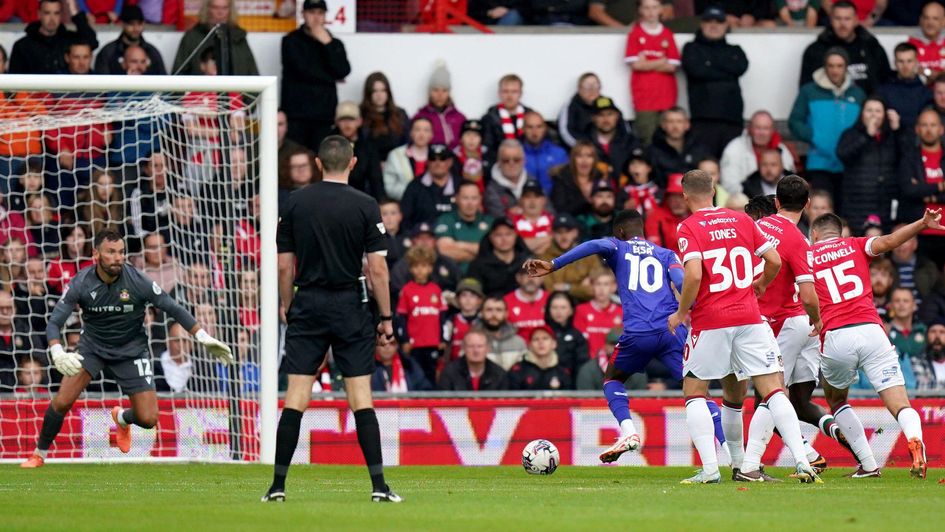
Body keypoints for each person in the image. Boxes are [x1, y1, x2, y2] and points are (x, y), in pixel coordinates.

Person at [19, 230, 233, 468]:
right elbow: (54, 322)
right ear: (96, 254)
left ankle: (121, 418)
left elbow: (172, 307)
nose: (118, 257)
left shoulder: (137, 280)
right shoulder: (81, 281)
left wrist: (203, 336)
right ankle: (39, 454)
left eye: (121, 252)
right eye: (111, 252)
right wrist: (57, 350)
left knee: (148, 418)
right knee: (62, 401)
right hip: (92, 348)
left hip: (131, 350)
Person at [266, 136, 400, 502]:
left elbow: (283, 265)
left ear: (318, 163)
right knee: (360, 397)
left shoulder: (295, 202)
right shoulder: (365, 204)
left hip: (308, 302)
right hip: (349, 304)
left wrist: (288, 305)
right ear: (353, 163)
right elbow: (377, 269)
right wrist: (386, 317)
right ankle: (379, 487)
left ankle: (277, 487)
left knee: (296, 395)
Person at [668, 169, 820, 484]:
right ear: (714, 191)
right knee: (773, 389)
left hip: (711, 319)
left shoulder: (688, 227)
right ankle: (801, 461)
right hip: (751, 318)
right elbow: (774, 260)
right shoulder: (742, 220)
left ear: (685, 196)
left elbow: (693, 274)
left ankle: (711, 470)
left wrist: (681, 312)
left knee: (694, 391)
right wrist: (761, 284)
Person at [525, 209, 689, 461]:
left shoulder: (618, 246)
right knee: (695, 390)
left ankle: (629, 432)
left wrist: (554, 264)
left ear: (620, 232)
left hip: (638, 332)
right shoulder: (667, 254)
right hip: (672, 329)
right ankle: (731, 453)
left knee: (612, 379)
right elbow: (682, 282)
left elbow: (594, 245)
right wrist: (687, 311)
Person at [737, 175, 860, 481]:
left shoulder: (754, 227)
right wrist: (818, 320)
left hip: (777, 324)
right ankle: (818, 449)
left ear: (776, 201)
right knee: (799, 401)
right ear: (807, 204)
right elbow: (808, 293)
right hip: (803, 326)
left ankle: (752, 465)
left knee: (768, 394)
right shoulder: (800, 240)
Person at [808, 210, 941, 479]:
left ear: (814, 234)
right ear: (840, 233)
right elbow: (891, 241)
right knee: (900, 402)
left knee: (836, 400)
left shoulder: (807, 256)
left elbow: (804, 295)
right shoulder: (855, 245)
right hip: (872, 331)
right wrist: (922, 223)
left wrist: (814, 319)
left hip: (836, 335)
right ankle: (915, 439)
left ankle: (868, 465)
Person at [789, 47, 865, 203]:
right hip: (819, 163)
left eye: (839, 66)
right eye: (831, 65)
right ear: (824, 67)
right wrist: (814, 136)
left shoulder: (858, 94)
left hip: (850, 164)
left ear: (846, 67)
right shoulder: (809, 91)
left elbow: (863, 125)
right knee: (821, 209)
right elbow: (794, 121)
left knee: (846, 211)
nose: (835, 70)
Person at [281, 0, 352, 151]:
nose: (316, 17)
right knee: (296, 158)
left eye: (320, 13)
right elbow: (302, 71)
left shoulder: (334, 43)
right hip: (297, 116)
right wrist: (330, 77)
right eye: (312, 12)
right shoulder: (290, 41)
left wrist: (328, 44)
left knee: (321, 158)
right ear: (303, 14)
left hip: (324, 116)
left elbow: (343, 70)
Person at [681, 5, 749, 157]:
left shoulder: (735, 49)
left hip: (732, 121)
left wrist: (709, 63)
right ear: (702, 24)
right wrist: (727, 69)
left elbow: (741, 67)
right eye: (709, 21)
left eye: (718, 22)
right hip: (703, 121)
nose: (714, 26)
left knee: (732, 166)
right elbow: (696, 70)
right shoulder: (691, 48)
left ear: (725, 25)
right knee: (705, 166)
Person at [835, 96, 900, 232]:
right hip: (856, 203)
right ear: (862, 114)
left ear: (885, 115)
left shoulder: (892, 136)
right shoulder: (851, 134)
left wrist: (898, 130)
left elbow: (906, 156)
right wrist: (866, 136)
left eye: (878, 111)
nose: (873, 115)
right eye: (869, 110)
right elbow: (843, 155)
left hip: (885, 203)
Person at [798, 1, 890, 95]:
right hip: (827, 103)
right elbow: (805, 90)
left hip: (868, 103)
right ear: (831, 20)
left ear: (856, 20)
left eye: (847, 19)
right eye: (838, 18)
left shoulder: (872, 47)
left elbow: (886, 83)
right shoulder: (815, 50)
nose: (842, 24)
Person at [625, 0, 680, 147]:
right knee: (647, 141)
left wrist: (647, 63)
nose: (650, 12)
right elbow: (635, 64)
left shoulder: (667, 34)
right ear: (640, 10)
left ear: (661, 9)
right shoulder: (635, 34)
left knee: (670, 141)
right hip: (644, 99)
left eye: (654, 7)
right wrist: (661, 61)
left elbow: (672, 66)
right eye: (646, 8)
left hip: (667, 97)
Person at [395, 246, 447, 385]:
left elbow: (442, 318)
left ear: (430, 268)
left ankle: (431, 398)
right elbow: (402, 319)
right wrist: (405, 340)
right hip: (414, 344)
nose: (420, 270)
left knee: (432, 374)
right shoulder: (407, 290)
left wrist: (443, 339)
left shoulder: (436, 290)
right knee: (416, 375)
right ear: (411, 269)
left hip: (433, 343)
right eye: (416, 266)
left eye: (424, 266)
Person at [898, 108, 945, 259]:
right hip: (920, 232)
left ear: (941, 129)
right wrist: (940, 186)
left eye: (933, 125)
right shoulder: (909, 158)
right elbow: (908, 190)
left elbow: (916, 190)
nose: (929, 130)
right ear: (917, 129)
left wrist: (925, 193)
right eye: (924, 125)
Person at [8, 0, 98, 74]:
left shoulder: (69, 39)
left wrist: (74, 11)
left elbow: (91, 42)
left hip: (65, 90)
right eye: (47, 13)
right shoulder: (23, 46)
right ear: (39, 14)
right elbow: (14, 80)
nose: (52, 18)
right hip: (33, 91)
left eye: (56, 13)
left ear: (61, 15)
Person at [720, 110, 797, 195]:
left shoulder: (782, 150)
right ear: (750, 129)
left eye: (766, 128)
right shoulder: (734, 149)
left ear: (772, 130)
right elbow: (729, 184)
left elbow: (791, 179)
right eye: (758, 128)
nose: (762, 133)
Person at [173, 0, 259, 76]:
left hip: (237, 89)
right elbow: (178, 75)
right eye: (215, 7)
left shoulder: (239, 38)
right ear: (207, 9)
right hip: (201, 89)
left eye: (225, 8)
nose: (220, 12)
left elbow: (253, 74)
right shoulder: (192, 38)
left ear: (230, 11)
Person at [434, 180, 493, 271]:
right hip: (454, 274)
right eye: (465, 198)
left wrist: (459, 245)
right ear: (456, 199)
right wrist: (480, 253)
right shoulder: (446, 220)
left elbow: (494, 252)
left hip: (485, 274)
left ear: (480, 199)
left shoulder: (490, 221)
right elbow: (444, 251)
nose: (470, 203)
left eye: (474, 198)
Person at [399, 144, 460, 231]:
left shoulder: (460, 186)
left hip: (455, 236)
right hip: (421, 236)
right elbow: (405, 218)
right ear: (427, 162)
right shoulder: (414, 186)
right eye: (433, 159)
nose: (437, 163)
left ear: (450, 162)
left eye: (442, 159)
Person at [537, 214, 598, 302]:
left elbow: (595, 290)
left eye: (568, 231)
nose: (564, 237)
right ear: (553, 234)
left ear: (575, 233)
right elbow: (551, 289)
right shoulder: (544, 257)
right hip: (557, 305)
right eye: (559, 232)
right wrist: (581, 288)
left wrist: (568, 287)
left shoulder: (588, 255)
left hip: (584, 304)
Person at [646, 107, 712, 187]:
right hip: (663, 193)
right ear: (663, 125)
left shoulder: (700, 149)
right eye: (670, 121)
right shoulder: (652, 151)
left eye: (679, 121)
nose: (675, 126)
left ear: (687, 125)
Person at [93, 5, 166, 75]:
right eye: (131, 24)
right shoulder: (108, 52)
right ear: (122, 24)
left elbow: (164, 80)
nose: (136, 28)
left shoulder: (152, 52)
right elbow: (100, 81)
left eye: (139, 24)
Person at [332, 101, 384, 200]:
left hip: (360, 197)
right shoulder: (329, 144)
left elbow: (376, 179)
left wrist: (380, 202)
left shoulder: (368, 146)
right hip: (332, 196)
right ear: (336, 122)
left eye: (351, 119)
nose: (347, 124)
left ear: (359, 121)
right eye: (343, 119)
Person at [468, 217, 529, 297]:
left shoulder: (527, 262)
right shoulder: (478, 265)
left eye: (508, 234)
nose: (504, 239)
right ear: (491, 237)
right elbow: (472, 294)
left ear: (515, 236)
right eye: (498, 235)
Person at [877, 43, 932, 132]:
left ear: (916, 62)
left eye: (909, 61)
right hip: (890, 137)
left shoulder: (926, 93)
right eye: (901, 61)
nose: (905, 66)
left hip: (917, 138)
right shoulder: (883, 91)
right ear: (895, 63)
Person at [583, 96, 640, 181]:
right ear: (593, 118)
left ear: (617, 116)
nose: (606, 120)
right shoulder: (584, 143)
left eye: (610, 114)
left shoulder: (630, 142)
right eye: (601, 115)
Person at [413, 61, 466, 150]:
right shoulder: (420, 117)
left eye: (444, 90)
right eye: (436, 90)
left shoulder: (459, 117)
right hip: (431, 156)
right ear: (430, 92)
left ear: (449, 93)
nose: (440, 95)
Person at [359, 72, 410, 161]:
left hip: (397, 163)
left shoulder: (400, 114)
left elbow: (407, 142)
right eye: (375, 91)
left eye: (383, 90)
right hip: (370, 165)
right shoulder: (361, 114)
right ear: (368, 93)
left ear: (388, 92)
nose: (379, 95)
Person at [550, 140, 608, 217]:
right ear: (573, 159)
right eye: (579, 156)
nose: (584, 160)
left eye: (589, 156)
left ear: (594, 160)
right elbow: (561, 211)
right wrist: (586, 200)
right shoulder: (562, 179)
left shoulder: (600, 178)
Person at [437, 329, 509, 391]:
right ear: (464, 348)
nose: (476, 350)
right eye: (471, 346)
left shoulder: (499, 374)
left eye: (480, 346)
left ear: (488, 348)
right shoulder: (450, 372)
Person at [383, 117, 433, 201]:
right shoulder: (396, 155)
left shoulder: (439, 156)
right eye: (417, 129)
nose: (421, 134)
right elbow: (389, 186)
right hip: (404, 202)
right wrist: (413, 194)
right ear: (411, 133)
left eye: (426, 130)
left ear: (432, 134)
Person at [480, 74, 534, 154]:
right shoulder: (489, 118)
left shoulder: (530, 116)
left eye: (514, 92)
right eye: (505, 91)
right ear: (499, 93)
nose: (509, 96)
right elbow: (488, 147)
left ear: (520, 94)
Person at [507, 326, 572, 391]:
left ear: (554, 344)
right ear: (529, 345)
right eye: (536, 339)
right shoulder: (518, 370)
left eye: (545, 338)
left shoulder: (562, 371)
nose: (541, 342)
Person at [476, 297, 527, 370]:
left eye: (499, 310)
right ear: (481, 313)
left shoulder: (518, 343)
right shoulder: (471, 342)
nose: (494, 314)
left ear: (506, 314)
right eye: (489, 310)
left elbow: (524, 372)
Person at [522, 111, 568, 194]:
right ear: (523, 129)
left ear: (545, 128)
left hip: (554, 200)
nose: (534, 131)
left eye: (539, 127)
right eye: (530, 127)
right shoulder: (516, 155)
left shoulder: (559, 154)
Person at [485, 139, 531, 219]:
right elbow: (498, 219)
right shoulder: (491, 190)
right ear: (499, 162)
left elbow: (549, 212)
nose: (511, 164)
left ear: (523, 161)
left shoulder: (532, 182)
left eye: (516, 160)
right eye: (506, 160)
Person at [644, 173, 688, 255]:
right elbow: (655, 252)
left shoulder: (696, 216)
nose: (678, 201)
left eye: (681, 196)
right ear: (667, 198)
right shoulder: (655, 217)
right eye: (673, 196)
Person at [558, 72, 604, 148]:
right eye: (587, 87)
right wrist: (584, 148)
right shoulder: (570, 105)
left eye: (595, 86)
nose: (592, 90)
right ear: (579, 89)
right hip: (579, 149)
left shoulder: (606, 104)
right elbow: (565, 133)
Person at [504, 268, 549, 342]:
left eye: (536, 274)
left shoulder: (551, 300)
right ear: (518, 277)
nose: (531, 278)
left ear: (542, 277)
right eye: (527, 274)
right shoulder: (505, 302)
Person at [445, 278, 485, 360]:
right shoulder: (451, 321)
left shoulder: (484, 321)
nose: (468, 299)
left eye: (472, 296)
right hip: (455, 364)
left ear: (479, 300)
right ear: (457, 299)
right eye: (464, 295)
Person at [511, 180, 553, 255]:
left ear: (544, 200)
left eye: (536, 196)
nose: (532, 201)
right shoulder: (511, 222)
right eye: (528, 197)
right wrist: (550, 238)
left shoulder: (553, 220)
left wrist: (528, 243)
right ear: (521, 200)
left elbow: (562, 241)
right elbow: (515, 247)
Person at [908, 1, 945, 80]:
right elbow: (906, 71)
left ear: (943, 21)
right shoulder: (911, 44)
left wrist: (936, 75)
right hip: (918, 87)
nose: (930, 23)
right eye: (926, 18)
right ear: (920, 20)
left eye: (935, 18)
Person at [912, 317, 945, 390]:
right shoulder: (917, 361)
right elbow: (922, 387)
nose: (937, 336)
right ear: (927, 336)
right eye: (933, 331)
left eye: (942, 332)